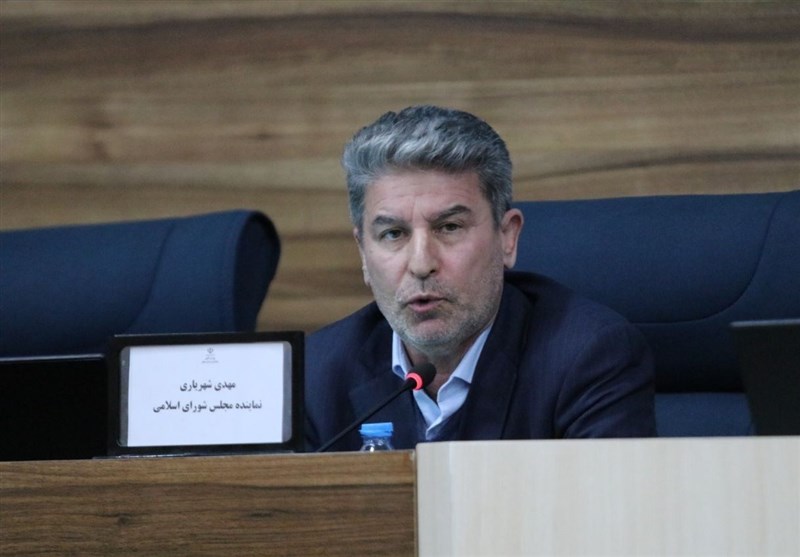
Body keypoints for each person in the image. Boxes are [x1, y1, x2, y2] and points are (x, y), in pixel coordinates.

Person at [305, 105, 656, 451]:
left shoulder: (588, 358)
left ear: (507, 237)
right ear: (363, 254)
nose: (421, 264)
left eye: (449, 227)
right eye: (393, 234)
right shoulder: (314, 374)